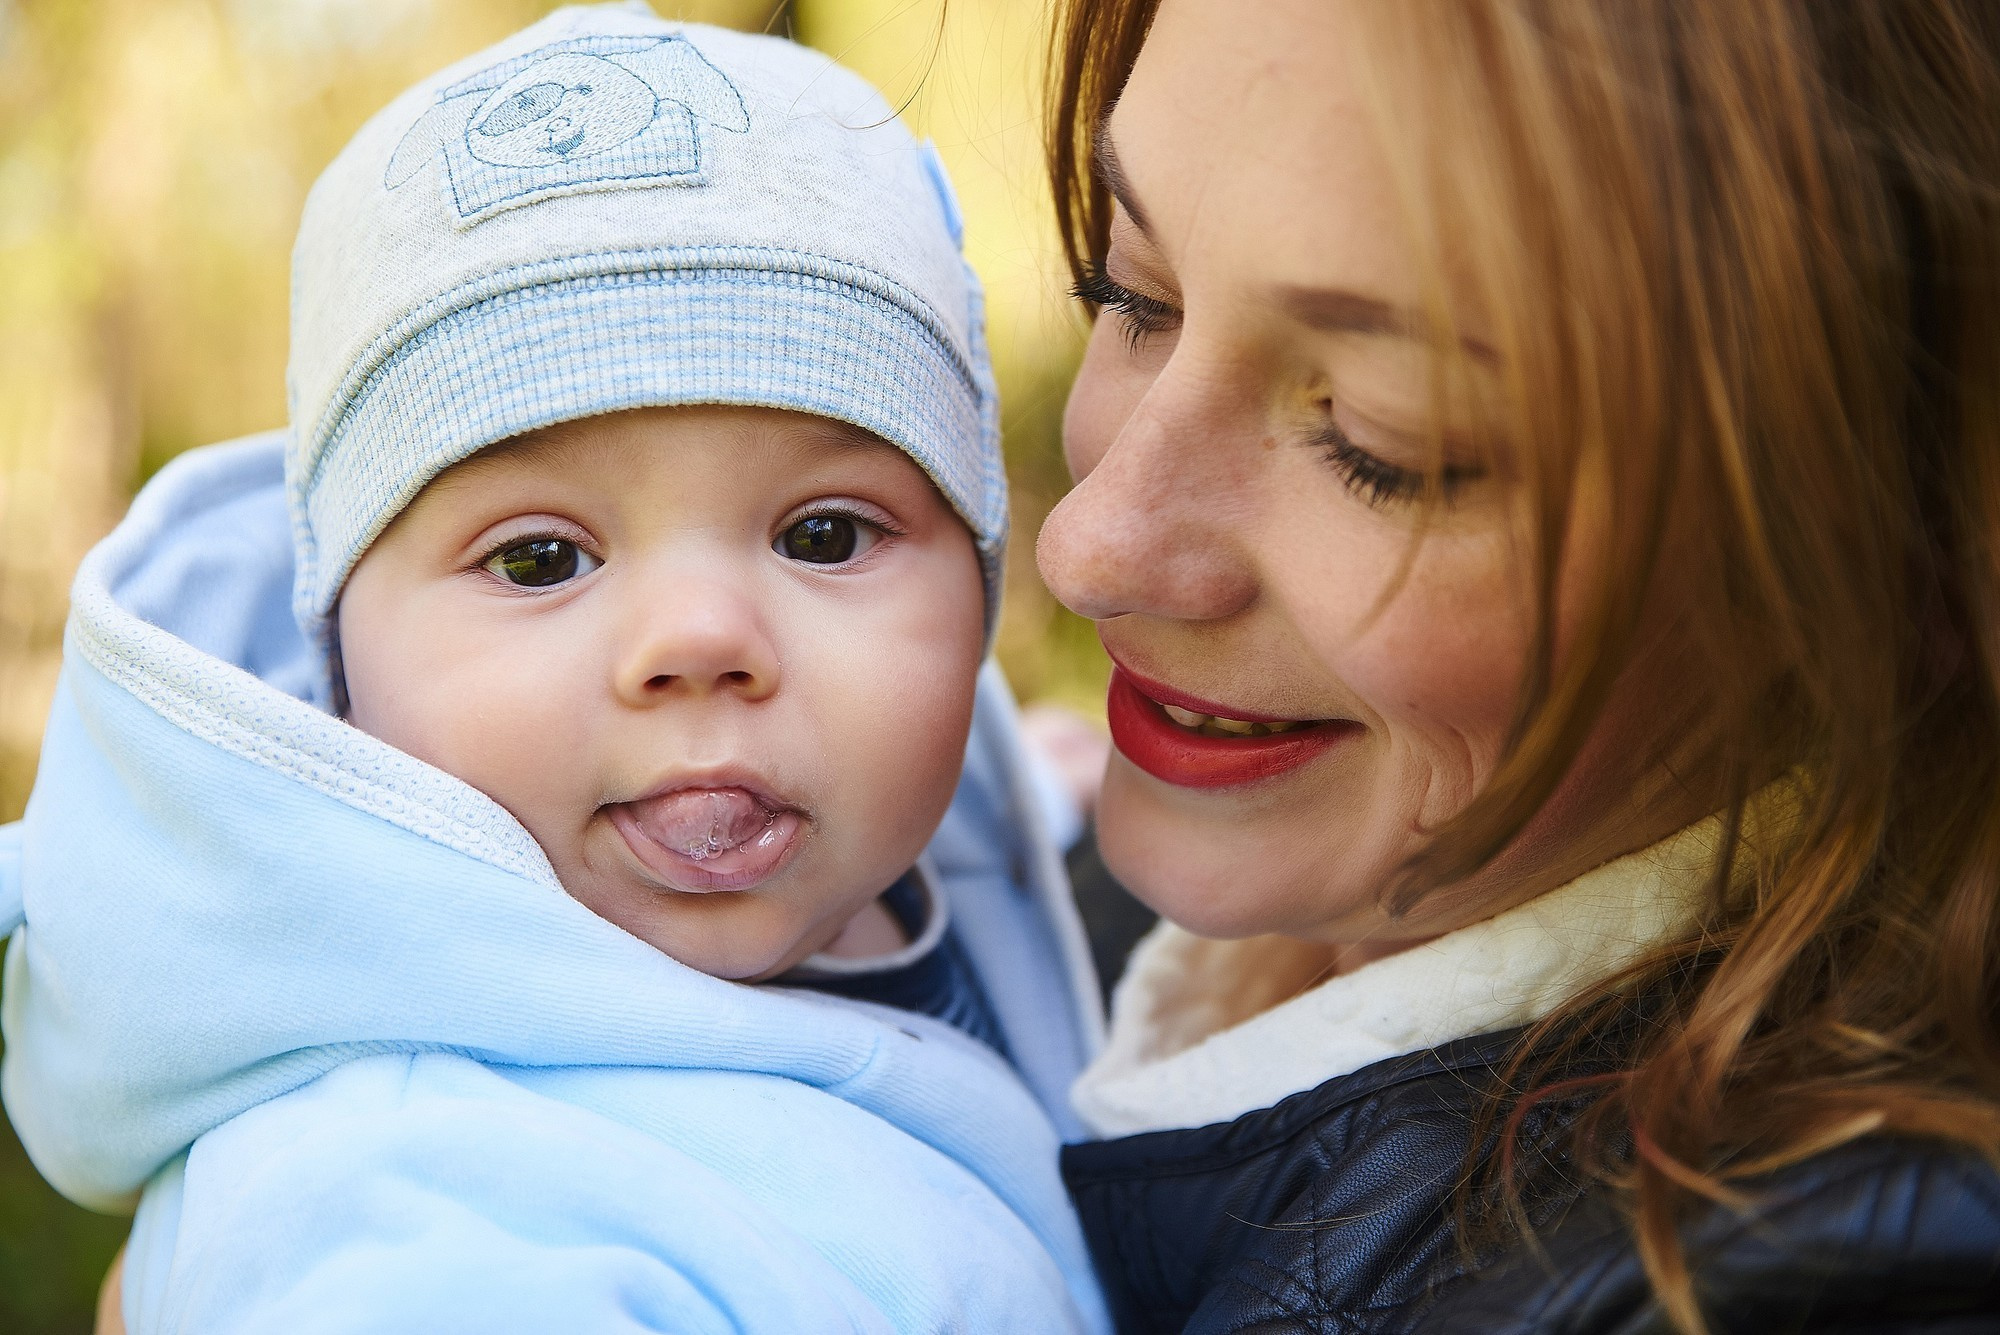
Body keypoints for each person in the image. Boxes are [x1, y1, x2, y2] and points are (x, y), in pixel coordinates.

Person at [0, 7, 1109, 1332]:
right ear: (338, 655)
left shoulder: (930, 862)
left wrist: (1033, 804)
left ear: (975, 582)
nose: (699, 641)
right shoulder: (427, 1214)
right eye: (538, 562)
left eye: (823, 535)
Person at [1039, 0, 2000, 1330]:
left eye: (1389, 443)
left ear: (1920, 543)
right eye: (1134, 294)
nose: (1088, 547)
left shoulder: (1840, 1288)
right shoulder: (1011, 879)